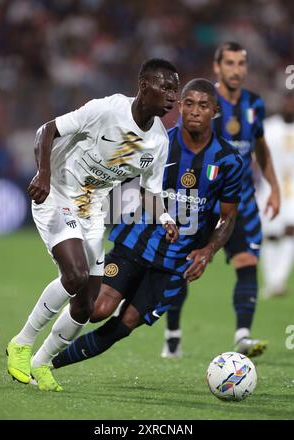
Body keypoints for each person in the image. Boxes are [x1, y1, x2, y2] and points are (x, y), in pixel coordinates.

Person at [47, 78, 244, 390]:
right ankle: (42, 355)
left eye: (203, 105)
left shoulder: (229, 161)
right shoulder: (158, 142)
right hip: (134, 242)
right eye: (188, 103)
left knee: (125, 324)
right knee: (98, 309)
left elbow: (229, 217)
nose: (194, 111)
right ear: (179, 107)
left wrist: (208, 251)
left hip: (175, 263)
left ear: (215, 111)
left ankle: (47, 365)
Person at [6, 58, 180, 391]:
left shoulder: (158, 141)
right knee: (75, 276)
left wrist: (166, 218)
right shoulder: (108, 109)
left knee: (86, 306)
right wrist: (43, 173)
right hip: (57, 192)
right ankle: (21, 342)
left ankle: (41, 364)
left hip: (91, 208)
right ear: (144, 86)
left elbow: (150, 191)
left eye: (176, 89)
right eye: (166, 87)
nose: (173, 96)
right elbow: (47, 130)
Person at [162, 42, 280, 359]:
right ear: (217, 67)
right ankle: (172, 331)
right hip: (199, 200)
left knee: (247, 262)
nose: (236, 69)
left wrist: (275, 187)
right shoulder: (203, 101)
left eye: (242, 63)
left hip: (239, 197)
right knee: (183, 265)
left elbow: (261, 148)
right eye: (229, 63)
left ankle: (242, 335)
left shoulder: (254, 103)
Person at [256, 93, 294, 298]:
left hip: (293, 192)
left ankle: (278, 280)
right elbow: (257, 155)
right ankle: (272, 281)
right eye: (288, 101)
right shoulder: (269, 127)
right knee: (270, 237)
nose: (290, 106)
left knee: (290, 232)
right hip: (270, 190)